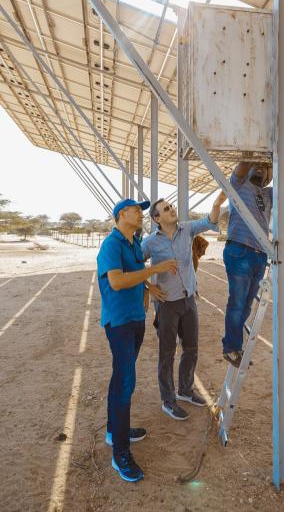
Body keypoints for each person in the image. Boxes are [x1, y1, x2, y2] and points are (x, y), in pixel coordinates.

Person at [97, 198, 178, 483]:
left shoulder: (133, 244)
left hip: (135, 320)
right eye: (136, 210)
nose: (141, 214)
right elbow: (117, 281)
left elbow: (133, 273)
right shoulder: (111, 244)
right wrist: (153, 271)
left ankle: (113, 430)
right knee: (125, 383)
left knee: (120, 378)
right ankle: (120, 453)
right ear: (122, 214)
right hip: (119, 323)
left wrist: (147, 286)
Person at [141, 196, 225, 421]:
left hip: (189, 299)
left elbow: (209, 221)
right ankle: (168, 401)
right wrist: (149, 287)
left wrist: (217, 205)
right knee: (167, 354)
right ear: (157, 218)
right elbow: (134, 265)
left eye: (172, 207)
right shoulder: (149, 243)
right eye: (166, 209)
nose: (172, 210)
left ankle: (185, 391)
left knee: (191, 349)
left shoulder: (187, 229)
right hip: (167, 304)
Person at [221, 162, 272, 368]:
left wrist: (271, 163)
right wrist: (253, 155)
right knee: (237, 303)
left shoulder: (268, 194)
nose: (260, 167)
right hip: (240, 250)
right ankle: (231, 348)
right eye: (257, 165)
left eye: (265, 166)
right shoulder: (239, 185)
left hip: (260, 254)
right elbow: (242, 167)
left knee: (246, 305)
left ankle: (233, 345)